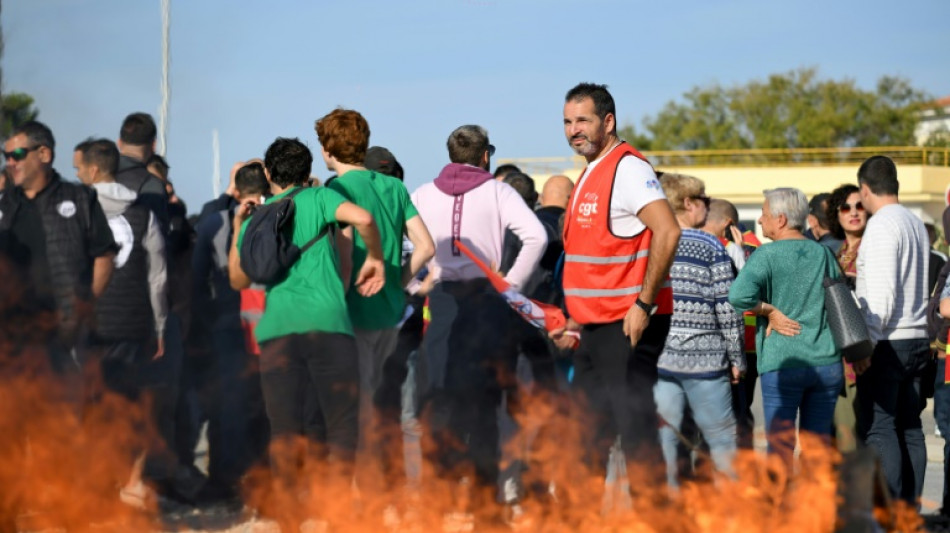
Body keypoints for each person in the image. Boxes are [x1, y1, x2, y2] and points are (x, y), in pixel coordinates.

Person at [228, 137, 385, 527]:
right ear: (307, 170)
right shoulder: (319, 198)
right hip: (328, 325)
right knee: (341, 424)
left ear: (268, 174)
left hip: (278, 330)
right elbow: (365, 220)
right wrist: (376, 259)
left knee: (284, 429)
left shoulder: (258, 217)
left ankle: (289, 520)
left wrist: (238, 227)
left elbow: (238, 280)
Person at [411, 124, 546, 525]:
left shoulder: (422, 193)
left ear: (450, 154)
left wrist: (414, 284)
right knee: (485, 407)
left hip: (443, 302)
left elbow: (401, 242)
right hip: (487, 301)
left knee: (440, 403)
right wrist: (511, 283)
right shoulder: (498, 191)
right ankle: (486, 511)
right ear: (486, 155)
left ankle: (437, 505)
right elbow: (537, 237)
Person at [552, 83, 681, 498]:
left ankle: (655, 521)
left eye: (583, 120)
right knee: (588, 436)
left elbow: (668, 231)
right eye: (568, 122)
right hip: (595, 327)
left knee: (636, 436)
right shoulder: (593, 169)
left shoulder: (627, 168)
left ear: (608, 122)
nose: (574, 130)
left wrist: (643, 304)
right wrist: (575, 319)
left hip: (626, 324)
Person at [314, 108, 434, 489]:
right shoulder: (395, 188)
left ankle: (363, 497)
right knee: (380, 404)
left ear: (328, 149)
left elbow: (344, 255)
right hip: (390, 313)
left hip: (354, 312)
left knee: (357, 411)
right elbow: (426, 247)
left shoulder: (335, 191)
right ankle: (381, 490)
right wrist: (398, 281)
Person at [72, 137, 169, 507]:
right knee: (133, 404)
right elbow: (158, 277)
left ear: (94, 170)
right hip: (134, 322)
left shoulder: (76, 210)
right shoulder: (144, 213)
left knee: (89, 403)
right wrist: (160, 325)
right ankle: (132, 482)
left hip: (89, 322)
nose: (78, 175)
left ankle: (93, 486)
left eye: (80, 169)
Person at [0, 121, 117, 407]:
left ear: (44, 154)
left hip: (64, 331)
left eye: (17, 154)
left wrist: (84, 305)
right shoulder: (5, 205)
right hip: (12, 333)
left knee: (63, 413)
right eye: (6, 156)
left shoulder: (79, 199)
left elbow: (105, 255)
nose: (10, 162)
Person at [729, 188, 843, 471]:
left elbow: (738, 296)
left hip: (782, 362)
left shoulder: (766, 255)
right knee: (817, 448)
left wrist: (768, 310)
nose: (760, 220)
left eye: (764, 214)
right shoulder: (823, 253)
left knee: (779, 448)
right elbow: (840, 300)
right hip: (825, 361)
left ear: (780, 220)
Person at [654, 174, 743, 489]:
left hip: (662, 360)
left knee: (667, 438)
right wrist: (737, 358)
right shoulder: (711, 246)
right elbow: (727, 307)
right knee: (721, 438)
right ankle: (729, 507)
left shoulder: (652, 242)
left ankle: (671, 504)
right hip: (706, 360)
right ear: (689, 204)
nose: (707, 204)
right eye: (704, 199)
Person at [191, 161, 271, 500]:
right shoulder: (278, 219)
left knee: (228, 404)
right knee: (267, 406)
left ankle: (224, 481)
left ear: (236, 191)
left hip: (227, 326)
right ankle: (264, 480)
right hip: (270, 325)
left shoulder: (214, 223)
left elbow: (197, 277)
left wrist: (203, 321)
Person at [853, 155, 930, 506]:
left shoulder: (882, 226)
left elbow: (880, 299)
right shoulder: (914, 222)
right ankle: (908, 512)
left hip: (888, 341)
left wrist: (864, 346)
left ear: (865, 189)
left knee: (880, 427)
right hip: (916, 337)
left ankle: (890, 516)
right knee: (910, 428)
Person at [825, 183, 869, 453]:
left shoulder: (873, 247)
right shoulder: (835, 253)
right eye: (845, 207)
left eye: (859, 206)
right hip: (835, 359)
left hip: (864, 356)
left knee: (853, 440)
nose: (853, 212)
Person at [115, 113, 170, 234]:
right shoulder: (151, 185)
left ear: (119, 143)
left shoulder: (98, 176)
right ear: (153, 145)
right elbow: (158, 234)